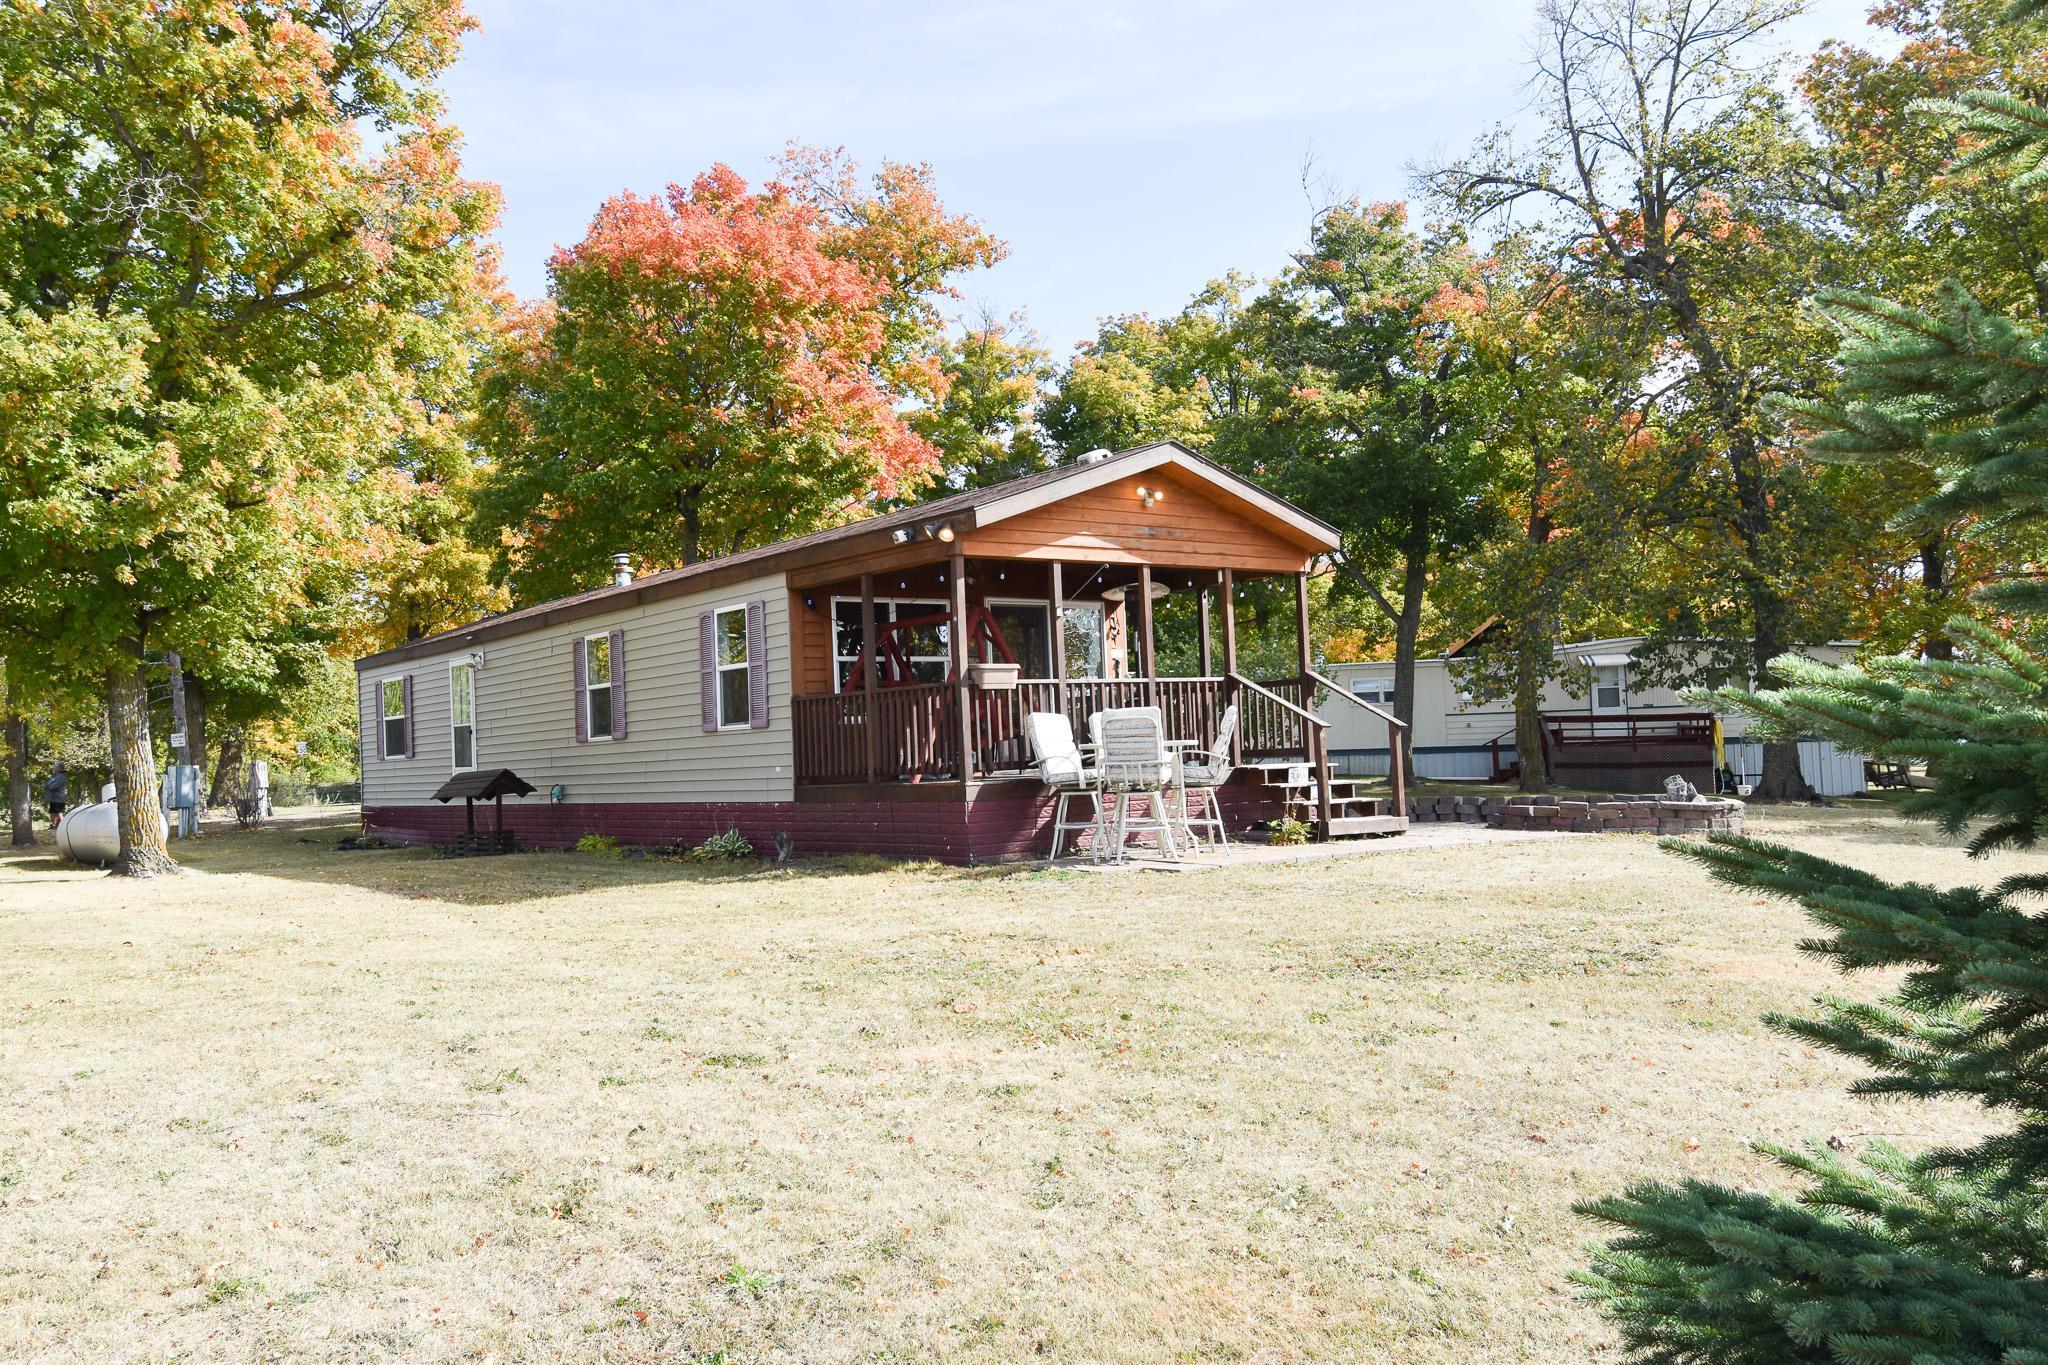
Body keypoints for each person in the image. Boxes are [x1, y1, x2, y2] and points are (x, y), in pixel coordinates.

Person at [43, 762, 66, 829]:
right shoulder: (56, 776)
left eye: (55, 767)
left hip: (58, 798)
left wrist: (45, 786)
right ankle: (54, 826)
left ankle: (63, 826)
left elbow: (53, 786)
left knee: (59, 812)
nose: (54, 768)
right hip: (54, 798)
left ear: (59, 768)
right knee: (53, 812)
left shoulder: (61, 777)